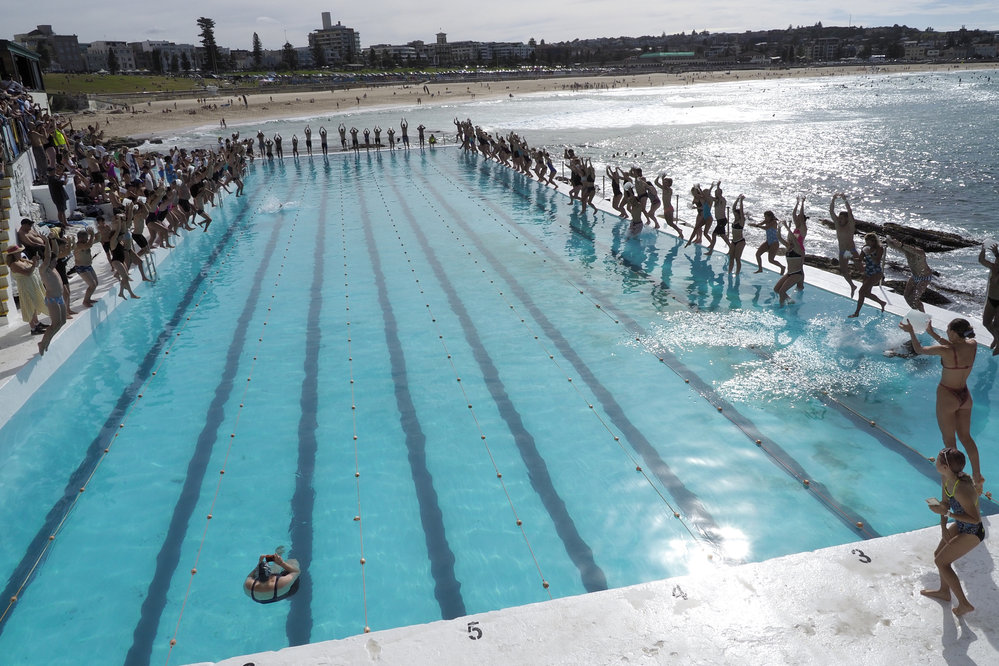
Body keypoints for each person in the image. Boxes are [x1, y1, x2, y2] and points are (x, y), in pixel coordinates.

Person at [900, 317, 982, 490]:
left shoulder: (945, 350)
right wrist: (932, 333)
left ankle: (953, 482)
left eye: (947, 329)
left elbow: (920, 349)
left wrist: (911, 332)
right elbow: (955, 346)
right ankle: (977, 475)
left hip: (947, 395)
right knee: (966, 437)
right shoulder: (973, 344)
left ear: (953, 332)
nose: (946, 332)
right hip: (965, 396)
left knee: (949, 442)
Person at [921, 447, 983, 617]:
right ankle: (944, 592)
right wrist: (943, 527)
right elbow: (945, 504)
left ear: (946, 467)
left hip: (973, 531)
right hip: (961, 524)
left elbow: (975, 519)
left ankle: (964, 604)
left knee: (942, 562)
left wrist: (947, 514)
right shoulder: (947, 479)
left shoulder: (961, 488)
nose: (936, 462)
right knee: (938, 554)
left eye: (938, 460)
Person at [5, 245, 47, 334]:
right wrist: (34, 264)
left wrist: (35, 260)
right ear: (14, 254)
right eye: (18, 252)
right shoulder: (14, 264)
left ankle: (37, 323)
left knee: (34, 304)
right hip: (25, 287)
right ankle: (33, 328)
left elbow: (33, 266)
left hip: (31, 285)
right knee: (29, 306)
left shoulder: (21, 260)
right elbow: (27, 273)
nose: (20, 253)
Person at [37, 234, 67, 356]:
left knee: (62, 322)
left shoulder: (52, 267)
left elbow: (54, 252)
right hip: (52, 299)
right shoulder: (44, 269)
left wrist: (54, 239)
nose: (55, 263)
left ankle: (47, 340)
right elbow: (49, 255)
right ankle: (43, 342)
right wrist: (46, 241)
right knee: (55, 323)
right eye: (53, 262)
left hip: (59, 298)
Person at [886, 237, 933, 313]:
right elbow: (893, 245)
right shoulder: (906, 251)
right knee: (907, 296)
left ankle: (922, 315)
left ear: (911, 245)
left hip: (925, 277)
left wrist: (901, 245)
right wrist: (889, 239)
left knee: (915, 298)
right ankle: (916, 312)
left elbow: (913, 250)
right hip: (915, 277)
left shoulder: (920, 252)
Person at [849, 233, 887, 317]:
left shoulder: (879, 248)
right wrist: (850, 257)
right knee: (866, 293)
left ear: (873, 241)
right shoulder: (865, 248)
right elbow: (860, 259)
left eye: (868, 241)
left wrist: (870, 254)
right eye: (866, 241)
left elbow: (877, 261)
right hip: (867, 272)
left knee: (861, 291)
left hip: (876, 273)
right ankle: (882, 302)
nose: (867, 243)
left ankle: (856, 313)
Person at [830, 193, 860, 297]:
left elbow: (850, 212)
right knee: (844, 271)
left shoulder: (850, 225)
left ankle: (874, 277)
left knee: (860, 268)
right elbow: (831, 212)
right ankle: (852, 286)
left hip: (851, 251)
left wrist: (845, 200)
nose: (839, 219)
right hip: (843, 252)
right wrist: (833, 199)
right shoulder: (838, 225)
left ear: (846, 219)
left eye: (842, 218)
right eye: (839, 218)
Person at [978, 243, 999, 353]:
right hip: (991, 299)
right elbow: (981, 260)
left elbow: (995, 281)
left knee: (997, 326)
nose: (996, 265)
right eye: (996, 262)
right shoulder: (992, 267)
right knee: (986, 323)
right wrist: (983, 250)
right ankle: (996, 338)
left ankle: (998, 343)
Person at [752, 210, 784, 274]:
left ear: (770, 217)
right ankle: (760, 269)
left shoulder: (774, 222)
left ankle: (782, 267)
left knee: (771, 260)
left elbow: (766, 228)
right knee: (758, 254)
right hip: (768, 241)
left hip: (774, 242)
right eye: (764, 217)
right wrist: (754, 225)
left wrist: (757, 226)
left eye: (766, 217)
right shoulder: (766, 220)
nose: (765, 218)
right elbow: (760, 224)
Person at [74, 228, 99, 307]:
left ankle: (88, 299)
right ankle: (85, 301)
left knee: (96, 283)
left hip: (88, 266)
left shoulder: (86, 242)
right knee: (92, 285)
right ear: (80, 238)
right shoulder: (78, 245)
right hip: (81, 268)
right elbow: (88, 245)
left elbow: (98, 239)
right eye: (86, 238)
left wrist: (97, 232)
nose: (87, 239)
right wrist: (92, 235)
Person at [727, 194, 746, 273]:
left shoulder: (741, 221)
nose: (734, 214)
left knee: (737, 258)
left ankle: (737, 272)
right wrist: (737, 199)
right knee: (731, 257)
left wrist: (741, 201)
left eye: (736, 214)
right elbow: (733, 208)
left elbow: (741, 211)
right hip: (734, 241)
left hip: (740, 241)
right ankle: (729, 271)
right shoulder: (735, 220)